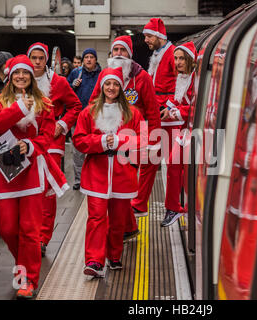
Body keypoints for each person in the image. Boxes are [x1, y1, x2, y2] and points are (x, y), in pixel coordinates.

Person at [0, 55, 68, 299]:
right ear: (9, 77)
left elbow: (46, 136)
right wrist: (20, 108)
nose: (21, 77)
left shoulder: (44, 103)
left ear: (32, 77)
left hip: (32, 173)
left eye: (26, 73)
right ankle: (22, 262)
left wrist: (30, 146)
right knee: (7, 227)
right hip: (5, 175)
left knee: (29, 230)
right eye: (17, 73)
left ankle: (27, 278)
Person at [88, 35, 161, 241]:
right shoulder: (105, 75)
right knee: (117, 186)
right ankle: (128, 228)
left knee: (124, 183)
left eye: (123, 51)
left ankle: (124, 227)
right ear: (111, 54)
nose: (119, 54)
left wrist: (153, 143)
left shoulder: (142, 78)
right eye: (116, 51)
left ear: (130, 54)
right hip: (109, 139)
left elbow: (153, 113)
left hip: (135, 139)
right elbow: (93, 104)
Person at [72, 67, 144, 276]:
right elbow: (78, 140)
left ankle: (114, 256)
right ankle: (94, 261)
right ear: (102, 87)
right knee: (96, 217)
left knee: (118, 219)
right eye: (108, 84)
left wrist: (121, 140)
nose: (111, 88)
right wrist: (102, 141)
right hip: (96, 173)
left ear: (121, 88)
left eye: (115, 84)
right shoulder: (89, 112)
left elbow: (143, 138)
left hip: (123, 174)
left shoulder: (132, 113)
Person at [27, 42, 82, 257]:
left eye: (41, 58)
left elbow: (75, 105)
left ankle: (42, 237)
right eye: (34, 58)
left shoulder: (57, 82)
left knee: (47, 190)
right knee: (30, 189)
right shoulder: (20, 79)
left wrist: (63, 124)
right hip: (27, 141)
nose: (38, 62)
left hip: (52, 141)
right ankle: (30, 234)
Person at [130, 18, 177, 217]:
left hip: (168, 118)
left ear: (159, 36)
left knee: (167, 163)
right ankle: (140, 203)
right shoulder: (158, 54)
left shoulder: (173, 55)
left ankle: (165, 205)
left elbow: (181, 84)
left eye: (149, 36)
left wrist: (168, 105)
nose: (146, 40)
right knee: (151, 159)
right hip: (156, 116)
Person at [161, 41, 196, 227]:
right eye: (175, 58)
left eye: (181, 58)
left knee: (182, 169)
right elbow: (177, 100)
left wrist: (175, 112)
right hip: (185, 130)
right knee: (174, 167)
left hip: (194, 130)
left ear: (190, 59)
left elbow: (197, 106)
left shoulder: (196, 79)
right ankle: (174, 208)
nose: (177, 62)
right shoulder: (182, 77)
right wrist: (165, 108)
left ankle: (182, 208)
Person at [68, 48, 102, 190]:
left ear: (95, 59)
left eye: (91, 57)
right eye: (86, 57)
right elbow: (67, 91)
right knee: (78, 152)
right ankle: (79, 180)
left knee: (95, 150)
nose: (88, 59)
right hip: (78, 119)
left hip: (96, 119)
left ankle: (95, 178)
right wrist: (72, 85)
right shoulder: (76, 73)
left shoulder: (101, 75)